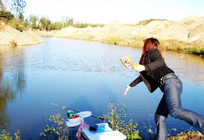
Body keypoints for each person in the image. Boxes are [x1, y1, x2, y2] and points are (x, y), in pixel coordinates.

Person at [123, 38, 204, 140]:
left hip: (171, 82)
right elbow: (143, 77)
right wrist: (130, 85)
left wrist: (144, 67)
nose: (143, 46)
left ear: (148, 45)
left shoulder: (152, 52)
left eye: (144, 44)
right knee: (159, 117)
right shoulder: (150, 60)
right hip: (169, 84)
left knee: (175, 111)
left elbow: (160, 62)